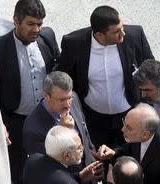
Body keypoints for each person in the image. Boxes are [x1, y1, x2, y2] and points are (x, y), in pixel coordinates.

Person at [57, 5, 154, 148]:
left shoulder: (135, 35)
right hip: (93, 119)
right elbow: (63, 78)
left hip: (129, 115)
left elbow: (151, 70)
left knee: (129, 156)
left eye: (122, 27)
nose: (123, 34)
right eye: (116, 32)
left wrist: (148, 105)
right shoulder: (73, 43)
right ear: (99, 35)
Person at [0, 0, 60, 184]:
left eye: (40, 24)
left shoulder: (47, 37)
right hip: (15, 124)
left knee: (51, 170)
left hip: (46, 119)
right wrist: (0, 124)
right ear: (16, 21)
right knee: (18, 176)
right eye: (31, 24)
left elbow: (57, 73)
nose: (37, 29)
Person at [22, 71, 100, 184]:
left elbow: (85, 133)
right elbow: (47, 170)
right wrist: (61, 130)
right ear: (46, 96)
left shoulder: (74, 99)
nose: (67, 104)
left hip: (90, 178)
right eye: (61, 100)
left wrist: (94, 158)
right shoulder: (33, 128)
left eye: (69, 98)